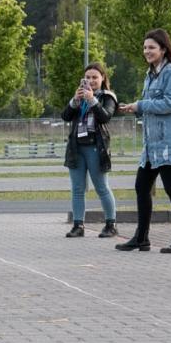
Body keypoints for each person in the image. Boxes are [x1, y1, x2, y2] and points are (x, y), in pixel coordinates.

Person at [117, 29, 171, 253]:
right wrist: (135, 108)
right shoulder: (150, 74)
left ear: (163, 48)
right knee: (142, 186)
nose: (146, 51)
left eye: (151, 47)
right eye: (144, 48)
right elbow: (149, 104)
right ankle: (141, 238)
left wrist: (141, 105)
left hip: (168, 143)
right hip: (152, 144)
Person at [61, 63, 118, 238]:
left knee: (101, 187)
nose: (91, 81)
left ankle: (111, 224)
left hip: (96, 147)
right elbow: (65, 116)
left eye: (95, 77)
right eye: (87, 77)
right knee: (77, 188)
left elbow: (105, 117)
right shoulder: (80, 98)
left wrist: (92, 100)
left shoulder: (107, 97)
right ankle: (78, 225)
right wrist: (74, 101)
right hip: (77, 147)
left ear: (102, 79)